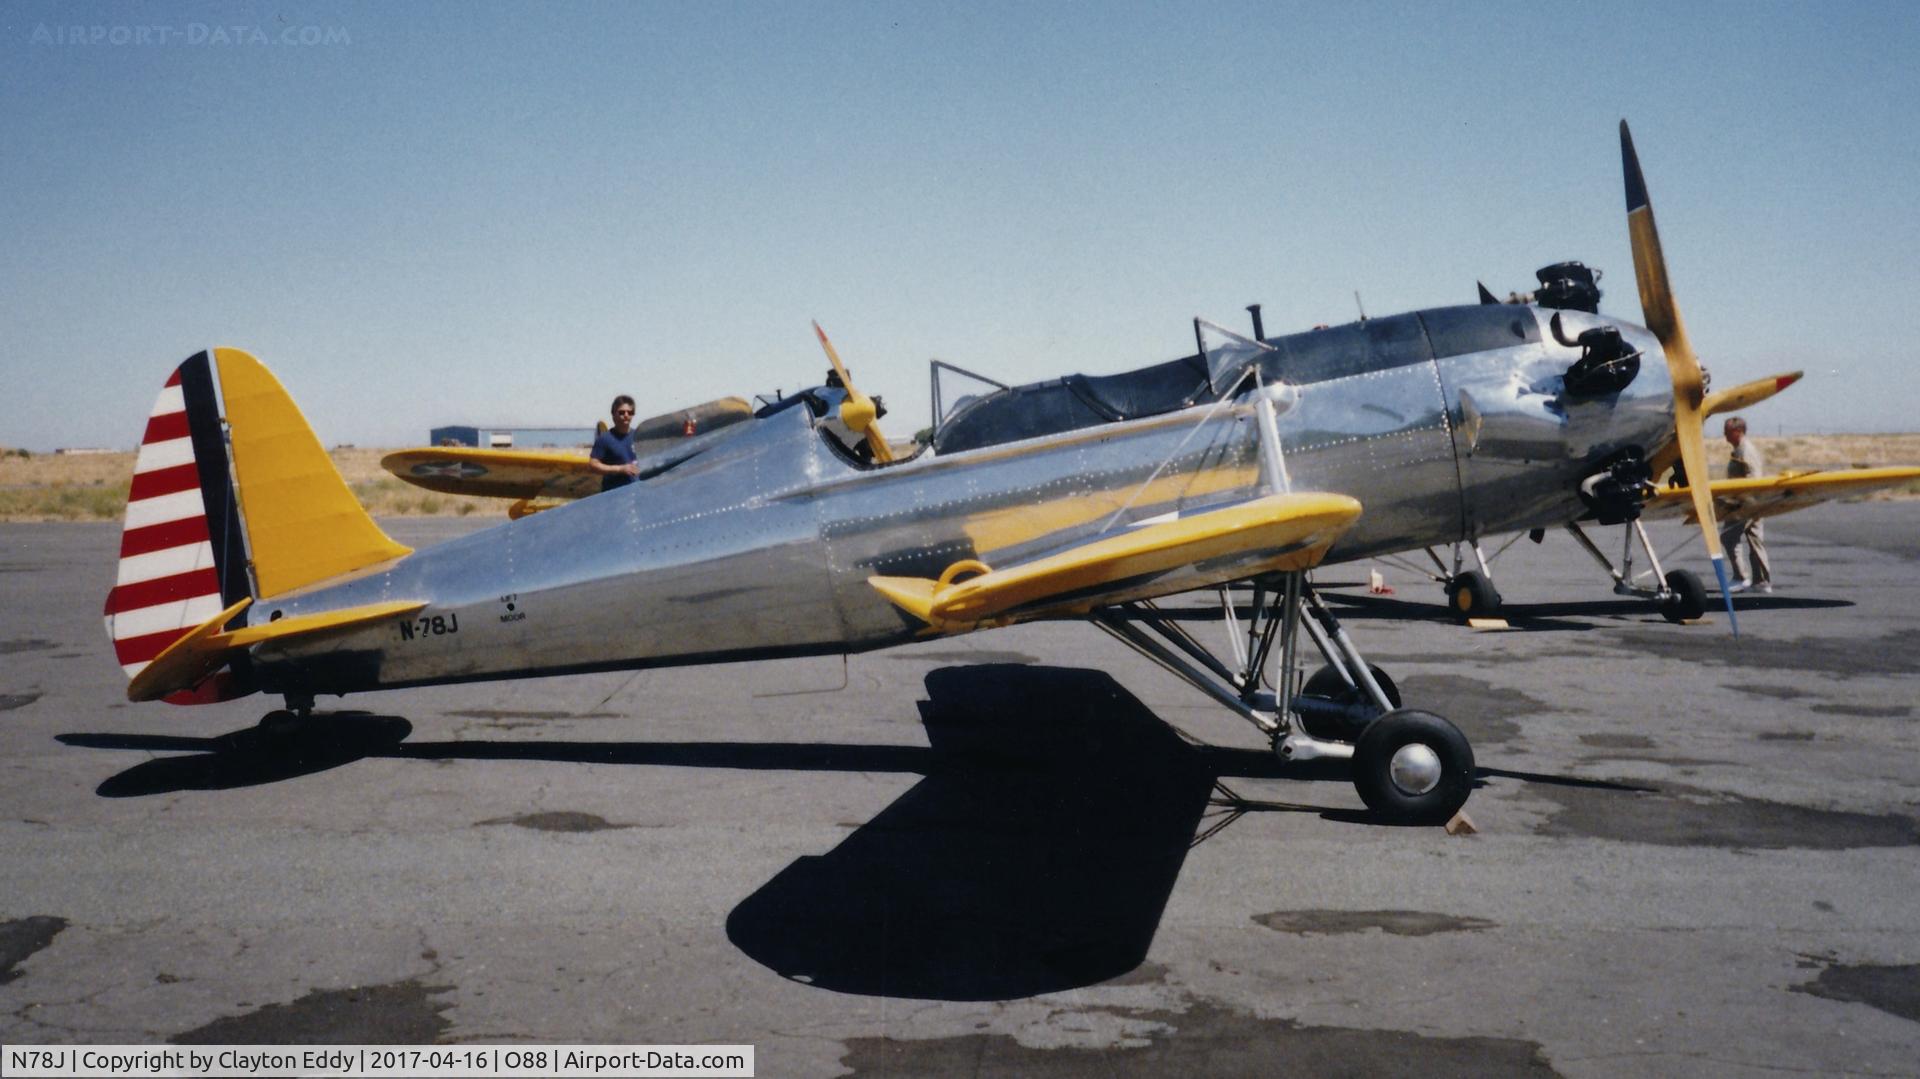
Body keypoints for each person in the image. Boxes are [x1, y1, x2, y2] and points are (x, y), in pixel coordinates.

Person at [1719, 416, 1772, 593]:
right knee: (1754, 539)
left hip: (1747, 504)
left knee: (1729, 537)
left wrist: (1742, 502)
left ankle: (1742, 578)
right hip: (1746, 502)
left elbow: (1753, 479)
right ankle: (1760, 582)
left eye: (1727, 431)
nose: (1724, 435)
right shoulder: (1739, 450)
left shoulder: (1746, 450)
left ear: (1737, 431)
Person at [588, 395, 640, 493]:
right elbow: (593, 465)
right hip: (613, 494)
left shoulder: (638, 437)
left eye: (630, 412)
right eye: (621, 412)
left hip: (636, 492)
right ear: (613, 414)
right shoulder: (605, 439)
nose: (626, 415)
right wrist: (620, 469)